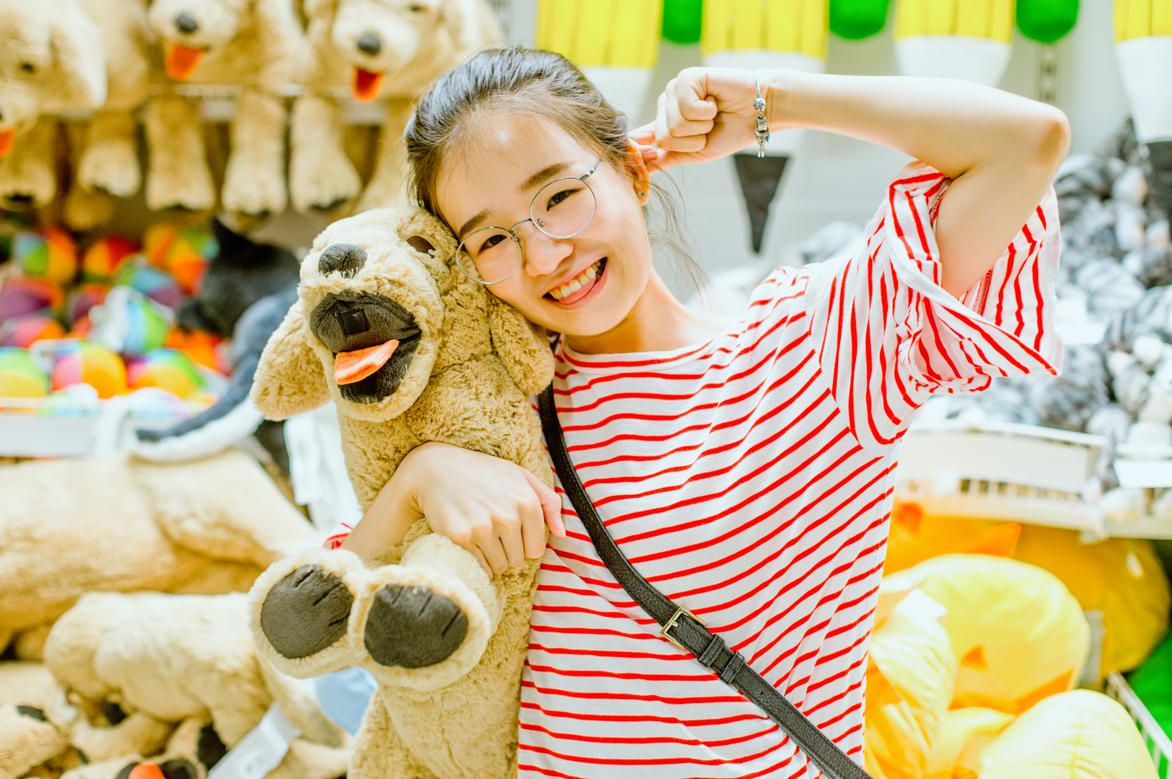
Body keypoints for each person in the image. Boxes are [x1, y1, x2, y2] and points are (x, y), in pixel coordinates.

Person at [332, 47, 1069, 778]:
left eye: (558, 196)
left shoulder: (815, 348)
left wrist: (770, 101)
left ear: (633, 169)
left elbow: (1023, 141)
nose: (544, 255)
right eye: (493, 238)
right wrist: (419, 479)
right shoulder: (492, 415)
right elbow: (327, 621)